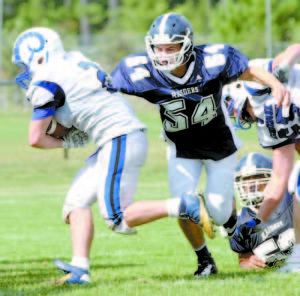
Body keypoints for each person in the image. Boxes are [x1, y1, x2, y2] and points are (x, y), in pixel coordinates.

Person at [11, 27, 204, 284]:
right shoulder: (75, 59)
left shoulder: (46, 77)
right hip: (116, 137)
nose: (25, 69)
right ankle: (80, 270)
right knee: (75, 204)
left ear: (38, 55)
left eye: (24, 62)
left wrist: (67, 142)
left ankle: (185, 205)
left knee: (116, 217)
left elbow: (36, 138)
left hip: (118, 137)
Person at [111, 12, 289, 277]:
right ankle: (204, 259)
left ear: (186, 44)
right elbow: (106, 89)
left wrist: (276, 86)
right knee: (185, 205)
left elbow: (249, 70)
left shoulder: (212, 60)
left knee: (217, 211)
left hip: (220, 144)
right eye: (159, 48)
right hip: (181, 148)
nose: (164, 54)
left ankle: (236, 235)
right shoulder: (140, 70)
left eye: (171, 47)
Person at [224, 43, 300, 272]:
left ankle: (296, 258)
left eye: (240, 111)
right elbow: (278, 181)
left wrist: (284, 67)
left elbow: (296, 47)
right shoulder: (268, 112)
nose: (242, 116)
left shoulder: (262, 85)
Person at [228, 152, 294, 269]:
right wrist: (248, 262)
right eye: (246, 180)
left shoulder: (290, 200)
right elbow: (244, 257)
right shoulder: (241, 221)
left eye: (257, 177)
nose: (251, 185)